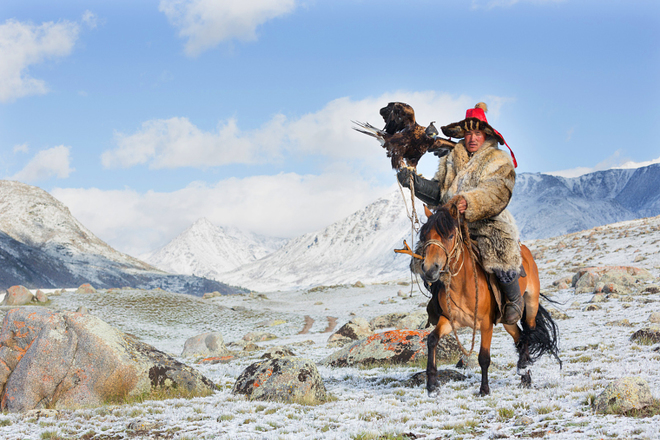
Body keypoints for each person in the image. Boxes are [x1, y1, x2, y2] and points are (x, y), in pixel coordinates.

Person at [398, 102, 523, 325]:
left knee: (500, 252)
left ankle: (513, 300)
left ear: (485, 135)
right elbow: (439, 193)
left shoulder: (498, 160)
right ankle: (440, 300)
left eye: (477, 133)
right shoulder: (451, 159)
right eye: (468, 133)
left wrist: (470, 201)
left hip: (486, 220)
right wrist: (415, 183)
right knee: (428, 250)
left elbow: (497, 192)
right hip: (452, 222)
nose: (472, 138)